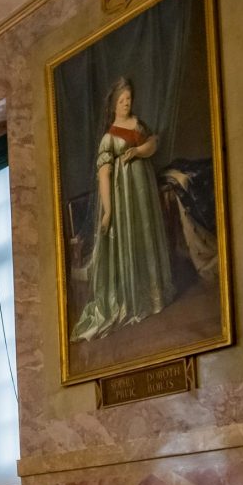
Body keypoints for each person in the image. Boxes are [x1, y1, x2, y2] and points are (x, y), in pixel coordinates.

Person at [71, 76, 175, 341]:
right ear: (113, 105)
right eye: (121, 100)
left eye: (129, 99)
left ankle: (153, 295)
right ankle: (132, 299)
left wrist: (139, 151)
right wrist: (108, 210)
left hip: (144, 193)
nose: (126, 103)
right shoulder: (108, 138)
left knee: (146, 235)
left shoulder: (139, 124)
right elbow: (104, 174)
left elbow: (153, 144)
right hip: (124, 198)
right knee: (129, 239)